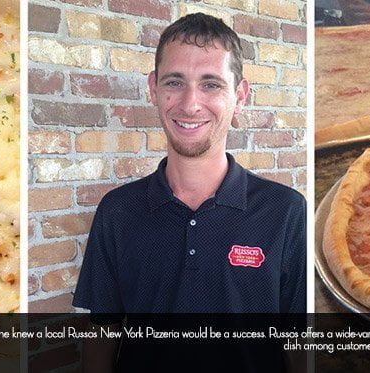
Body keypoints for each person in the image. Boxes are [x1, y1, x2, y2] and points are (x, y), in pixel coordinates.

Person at [72, 12, 306, 371]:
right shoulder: (117, 211)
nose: (190, 104)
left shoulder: (286, 212)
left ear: (240, 96)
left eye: (211, 84)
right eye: (174, 82)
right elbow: (103, 332)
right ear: (153, 88)